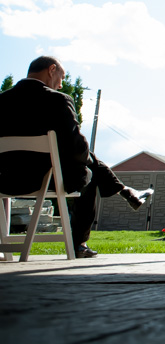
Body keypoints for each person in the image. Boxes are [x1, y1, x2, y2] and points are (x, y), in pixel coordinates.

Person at [0, 56, 153, 258]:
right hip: (48, 180)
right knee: (88, 171)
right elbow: (77, 148)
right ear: (51, 69)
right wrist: (90, 160)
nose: (61, 84)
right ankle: (78, 243)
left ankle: (125, 191)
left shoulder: (1, 100)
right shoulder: (58, 100)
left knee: (87, 161)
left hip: (6, 181)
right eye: (61, 77)